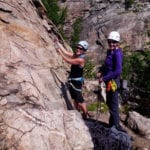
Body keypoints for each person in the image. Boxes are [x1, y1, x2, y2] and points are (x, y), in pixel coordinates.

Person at [98, 31, 126, 132]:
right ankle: (111, 125)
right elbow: (107, 65)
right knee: (110, 103)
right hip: (108, 81)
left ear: (117, 42)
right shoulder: (110, 51)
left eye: (114, 42)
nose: (111, 44)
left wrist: (104, 78)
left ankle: (117, 127)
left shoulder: (117, 53)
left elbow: (118, 70)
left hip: (113, 82)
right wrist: (101, 71)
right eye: (110, 41)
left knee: (113, 105)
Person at [55, 40, 91, 119]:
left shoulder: (80, 60)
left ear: (84, 51)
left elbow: (68, 60)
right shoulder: (77, 55)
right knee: (75, 98)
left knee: (80, 100)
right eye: (77, 47)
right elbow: (66, 52)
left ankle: (85, 115)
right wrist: (58, 44)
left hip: (77, 82)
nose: (78, 49)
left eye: (80, 48)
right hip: (72, 81)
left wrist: (59, 52)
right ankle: (77, 112)